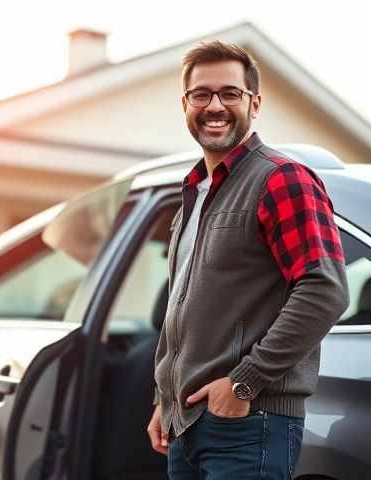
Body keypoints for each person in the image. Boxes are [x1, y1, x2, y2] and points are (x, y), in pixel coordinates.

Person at [146, 40, 349, 479]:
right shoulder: (191, 199)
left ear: (254, 104)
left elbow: (324, 289)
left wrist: (244, 383)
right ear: (185, 105)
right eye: (201, 94)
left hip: (248, 423)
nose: (214, 105)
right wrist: (166, 400)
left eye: (229, 93)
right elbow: (181, 312)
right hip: (188, 423)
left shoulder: (282, 179)